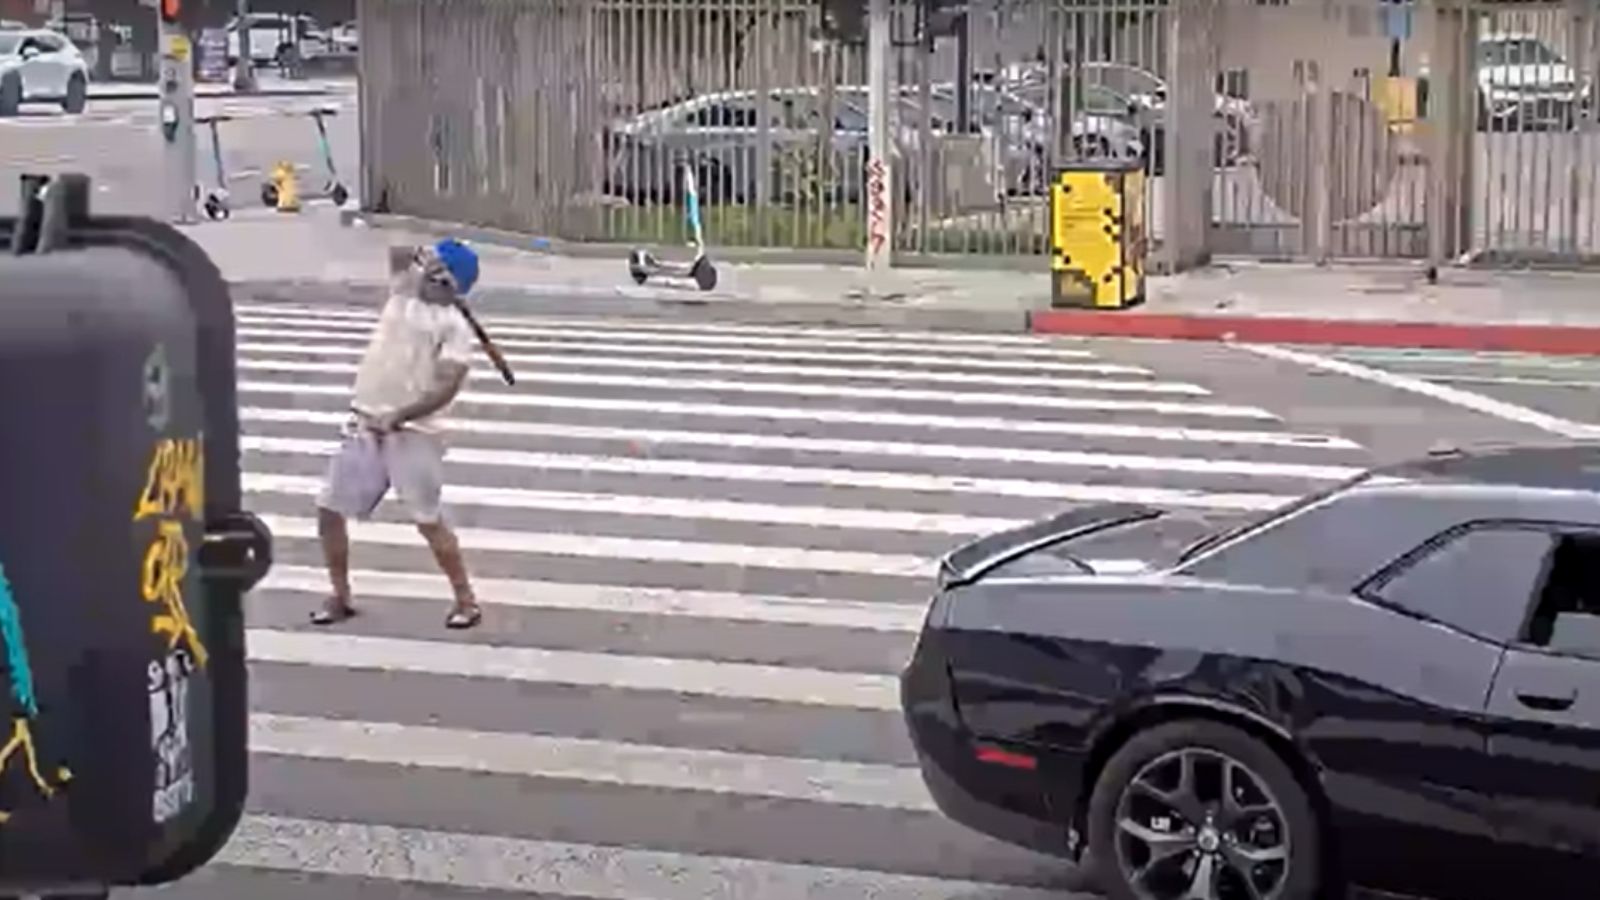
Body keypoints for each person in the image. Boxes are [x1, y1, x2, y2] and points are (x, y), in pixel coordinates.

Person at [312, 238, 483, 630]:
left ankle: (466, 600)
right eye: (427, 266)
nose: (424, 273)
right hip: (366, 422)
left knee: (428, 520)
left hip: (416, 433)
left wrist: (402, 415)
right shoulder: (403, 292)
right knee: (330, 509)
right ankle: (340, 595)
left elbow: (446, 387)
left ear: (450, 283)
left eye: (436, 270)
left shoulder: (454, 327)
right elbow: (398, 251)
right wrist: (423, 253)